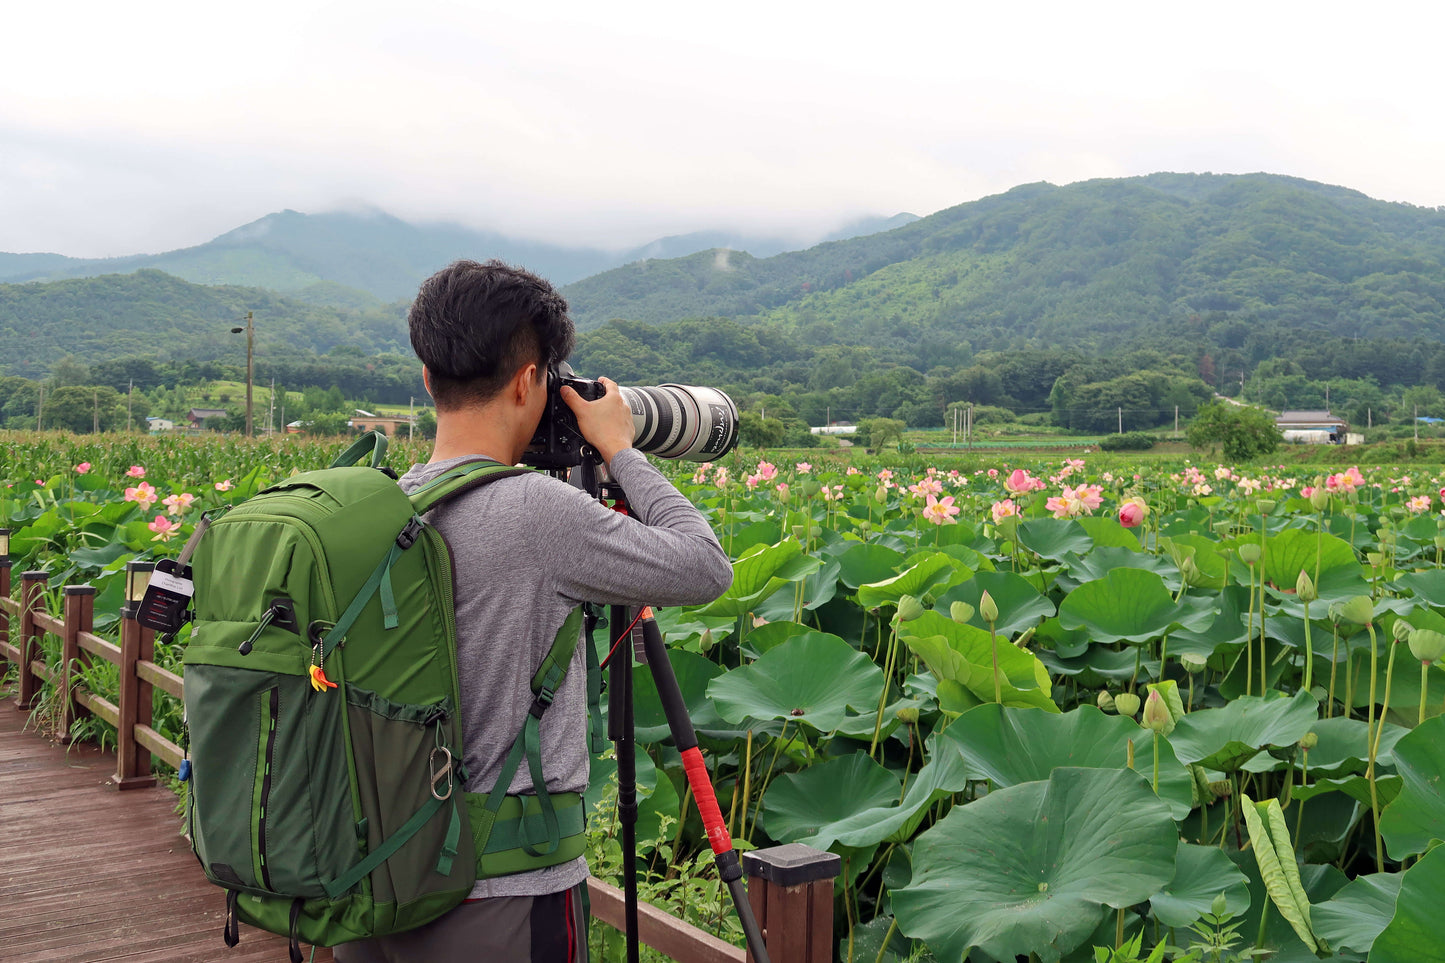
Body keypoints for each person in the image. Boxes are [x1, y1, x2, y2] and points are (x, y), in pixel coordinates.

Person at [334, 259, 733, 963]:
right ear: (530, 381)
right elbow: (704, 567)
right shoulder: (539, 511)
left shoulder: (378, 506)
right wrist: (620, 448)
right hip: (504, 895)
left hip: (375, 884)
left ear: (428, 377)